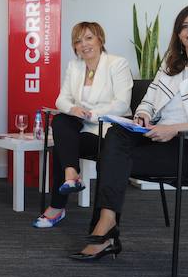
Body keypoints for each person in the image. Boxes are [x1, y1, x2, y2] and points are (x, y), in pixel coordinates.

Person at [72, 4, 188, 260]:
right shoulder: (171, 66)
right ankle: (106, 225)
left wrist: (173, 129)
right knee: (117, 134)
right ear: (178, 33)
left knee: (113, 157)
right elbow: (149, 103)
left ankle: (104, 231)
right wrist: (143, 116)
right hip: (157, 139)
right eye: (184, 26)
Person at [32, 22, 132, 228]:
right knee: (61, 121)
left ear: (100, 40)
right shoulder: (74, 66)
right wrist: (73, 109)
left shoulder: (117, 63)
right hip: (83, 125)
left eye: (89, 38)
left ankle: (57, 207)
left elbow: (122, 104)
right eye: (78, 41)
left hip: (109, 129)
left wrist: (91, 114)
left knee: (62, 144)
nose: (83, 44)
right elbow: (61, 100)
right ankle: (71, 174)